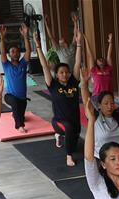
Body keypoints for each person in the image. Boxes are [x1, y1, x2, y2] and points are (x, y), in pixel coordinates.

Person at [35, 25, 82, 165]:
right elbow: (44, 66)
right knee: (69, 131)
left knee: (75, 136)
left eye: (66, 72)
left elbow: (77, 63)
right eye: (61, 72)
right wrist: (38, 46)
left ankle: (61, 137)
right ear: (56, 74)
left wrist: (79, 44)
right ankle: (68, 156)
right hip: (59, 121)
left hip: (74, 119)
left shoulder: (73, 82)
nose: (65, 74)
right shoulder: (53, 84)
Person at [0, 23, 32, 134]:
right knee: (15, 104)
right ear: (9, 55)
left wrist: (25, 36)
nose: (15, 53)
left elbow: (28, 51)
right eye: (12, 51)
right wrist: (2, 38)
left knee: (20, 114)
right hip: (9, 96)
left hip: (22, 98)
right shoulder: (6, 65)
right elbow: (2, 52)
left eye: (17, 51)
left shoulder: (23, 64)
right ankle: (19, 126)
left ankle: (16, 115)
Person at [85, 32, 114, 103]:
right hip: (97, 96)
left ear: (105, 62)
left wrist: (110, 42)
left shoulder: (109, 68)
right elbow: (90, 55)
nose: (101, 60)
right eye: (99, 59)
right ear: (96, 62)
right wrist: (86, 40)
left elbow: (109, 55)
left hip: (108, 96)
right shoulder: (94, 70)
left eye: (102, 59)